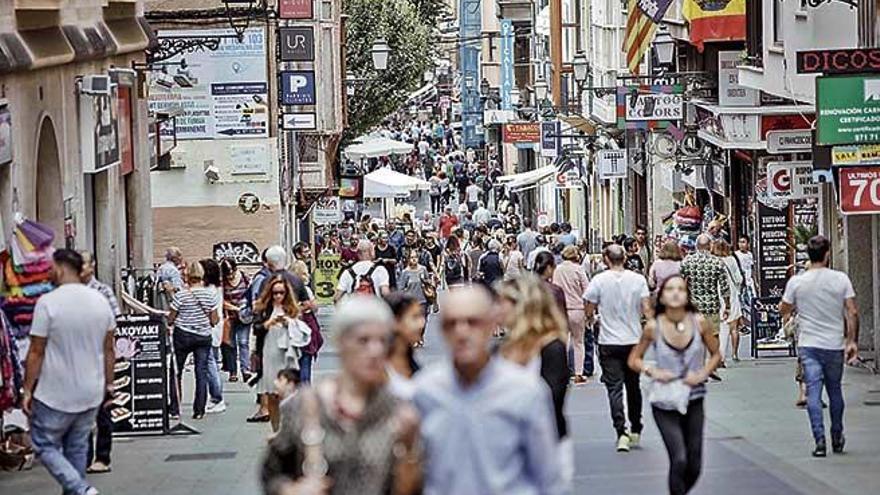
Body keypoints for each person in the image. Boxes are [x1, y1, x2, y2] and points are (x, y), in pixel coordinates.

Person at [262, 296, 421, 495]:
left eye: (382, 341)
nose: (375, 350)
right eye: (363, 340)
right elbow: (272, 473)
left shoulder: (399, 410)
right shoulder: (307, 405)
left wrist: (410, 453)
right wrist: (290, 490)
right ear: (341, 341)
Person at [413, 286, 563, 494]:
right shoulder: (424, 392)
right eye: (452, 324)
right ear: (442, 331)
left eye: (472, 322)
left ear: (491, 324)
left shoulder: (526, 392)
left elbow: (548, 479)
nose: (462, 332)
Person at [24, 250, 116, 495]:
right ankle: (77, 490)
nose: (48, 272)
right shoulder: (100, 301)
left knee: (43, 444)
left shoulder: (48, 303)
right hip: (90, 390)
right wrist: (109, 385)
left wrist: (27, 389)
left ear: (62, 268)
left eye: (51, 267)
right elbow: (109, 349)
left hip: (55, 391)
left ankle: (80, 488)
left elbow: (36, 351)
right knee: (76, 448)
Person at [628, 276, 722, 495]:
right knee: (679, 458)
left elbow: (716, 354)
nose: (676, 293)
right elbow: (634, 360)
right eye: (670, 289)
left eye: (681, 289)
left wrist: (703, 374)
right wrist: (653, 371)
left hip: (694, 397)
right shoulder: (653, 326)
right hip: (664, 401)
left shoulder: (699, 322)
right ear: (661, 296)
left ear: (688, 294)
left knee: (694, 464)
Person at [779, 235, 859, 457]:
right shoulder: (840, 279)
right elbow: (852, 311)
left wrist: (795, 310)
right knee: (835, 391)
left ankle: (819, 440)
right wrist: (851, 340)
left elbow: (783, 309)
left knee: (813, 392)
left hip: (809, 345)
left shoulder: (797, 282)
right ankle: (837, 434)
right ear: (827, 254)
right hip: (834, 344)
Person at [497, 275, 573, 482]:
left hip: (544, 443)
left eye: (503, 302)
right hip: (504, 443)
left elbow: (552, 398)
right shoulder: (502, 348)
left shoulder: (551, 348)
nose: (498, 308)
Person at [585, 244, 651, 452]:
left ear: (606, 259)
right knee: (633, 386)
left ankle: (620, 431)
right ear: (624, 258)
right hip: (633, 340)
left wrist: (591, 317)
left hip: (609, 342)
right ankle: (636, 428)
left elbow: (588, 303)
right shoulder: (638, 280)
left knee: (614, 388)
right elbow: (647, 310)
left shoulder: (599, 280)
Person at [78, 251, 119, 475]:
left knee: (102, 412)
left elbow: (113, 328)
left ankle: (102, 457)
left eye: (82, 263)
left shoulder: (103, 291)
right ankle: (82, 457)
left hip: (98, 359)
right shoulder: (68, 293)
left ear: (92, 266)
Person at [167, 261, 220, 420]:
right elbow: (214, 320)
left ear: (187, 276)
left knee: (176, 371)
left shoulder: (180, 295)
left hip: (182, 335)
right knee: (201, 372)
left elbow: (171, 318)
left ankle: (175, 409)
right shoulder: (210, 295)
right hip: (203, 336)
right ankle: (199, 410)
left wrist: (172, 321)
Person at [253, 277, 306, 432]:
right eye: (275, 293)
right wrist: (267, 324)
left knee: (287, 393)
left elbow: (299, 330)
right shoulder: (263, 308)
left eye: (281, 293)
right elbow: (255, 329)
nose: (278, 296)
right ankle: (276, 430)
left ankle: (288, 429)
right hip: (268, 352)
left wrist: (288, 323)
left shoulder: (291, 308)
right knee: (271, 394)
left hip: (286, 353)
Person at [680, 234, 730, 380]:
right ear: (710, 246)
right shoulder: (716, 262)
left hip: (694, 306)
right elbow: (724, 286)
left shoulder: (688, 261)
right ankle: (712, 366)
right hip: (712, 305)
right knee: (714, 336)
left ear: (696, 246)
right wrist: (727, 305)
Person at [553, 245, 590, 384]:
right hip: (577, 309)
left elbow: (555, 288)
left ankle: (563, 369)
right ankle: (579, 373)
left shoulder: (557, 270)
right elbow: (587, 290)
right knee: (578, 341)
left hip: (562, 309)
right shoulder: (578, 269)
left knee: (564, 340)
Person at [384, 292, 425, 399]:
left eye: (421, 316)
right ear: (396, 321)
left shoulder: (415, 368)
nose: (422, 323)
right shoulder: (378, 370)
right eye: (414, 317)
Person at [200, 259, 226, 414]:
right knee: (213, 362)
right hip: (215, 328)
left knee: (210, 364)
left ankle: (217, 397)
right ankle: (215, 396)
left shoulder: (209, 290)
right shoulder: (217, 288)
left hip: (210, 329)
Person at [220, 257, 251, 383]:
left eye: (232, 272)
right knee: (230, 344)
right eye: (228, 274)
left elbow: (251, 294)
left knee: (243, 342)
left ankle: (245, 370)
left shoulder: (244, 277)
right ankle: (233, 372)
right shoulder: (222, 282)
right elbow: (220, 300)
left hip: (244, 316)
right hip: (231, 317)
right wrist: (234, 308)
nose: (230, 276)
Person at [713, 240, 744, 363]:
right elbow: (739, 279)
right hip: (732, 295)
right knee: (734, 328)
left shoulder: (713, 261)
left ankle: (720, 355)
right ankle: (734, 354)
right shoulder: (731, 260)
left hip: (718, 295)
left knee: (720, 327)